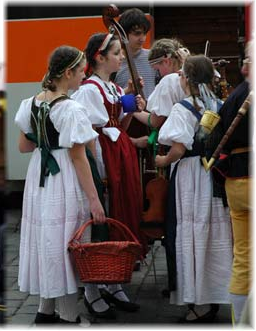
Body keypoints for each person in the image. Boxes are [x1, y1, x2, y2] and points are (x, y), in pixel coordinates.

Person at [14, 45, 105, 324]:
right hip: (62, 176)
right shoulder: (71, 108)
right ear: (68, 73)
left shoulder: (30, 103)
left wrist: (44, 138)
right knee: (65, 242)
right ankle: (69, 317)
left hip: (38, 178)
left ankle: (44, 311)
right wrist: (94, 199)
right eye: (80, 72)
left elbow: (23, 147)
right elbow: (79, 156)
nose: (83, 77)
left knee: (47, 239)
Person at [72, 32, 145, 318]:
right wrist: (99, 170)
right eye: (115, 53)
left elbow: (120, 125)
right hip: (104, 153)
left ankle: (111, 282)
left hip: (119, 150)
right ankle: (92, 288)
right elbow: (89, 133)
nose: (120, 57)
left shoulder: (111, 87)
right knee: (101, 216)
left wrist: (131, 107)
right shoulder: (89, 89)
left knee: (118, 211)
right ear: (99, 57)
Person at [155, 54, 233, 323]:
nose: (178, 78)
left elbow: (177, 149)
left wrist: (162, 160)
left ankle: (199, 303)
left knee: (191, 234)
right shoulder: (221, 104)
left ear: (187, 79)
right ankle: (211, 297)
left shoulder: (183, 109)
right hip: (213, 175)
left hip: (190, 177)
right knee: (211, 233)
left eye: (181, 75)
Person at [217, 41, 253, 324]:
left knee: (243, 258)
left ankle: (240, 324)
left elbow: (212, 139)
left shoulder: (233, 97)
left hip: (236, 182)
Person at [114, 7, 156, 99]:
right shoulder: (113, 62)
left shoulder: (152, 57)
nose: (143, 38)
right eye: (137, 34)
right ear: (123, 34)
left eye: (144, 33)